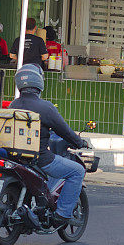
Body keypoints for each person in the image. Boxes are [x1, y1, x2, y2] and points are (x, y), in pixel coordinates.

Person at [9, 64, 89, 226]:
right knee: (77, 170)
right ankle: (62, 214)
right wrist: (80, 142)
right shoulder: (45, 107)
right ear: (39, 81)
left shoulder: (13, 105)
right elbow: (65, 131)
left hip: (15, 158)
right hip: (39, 159)